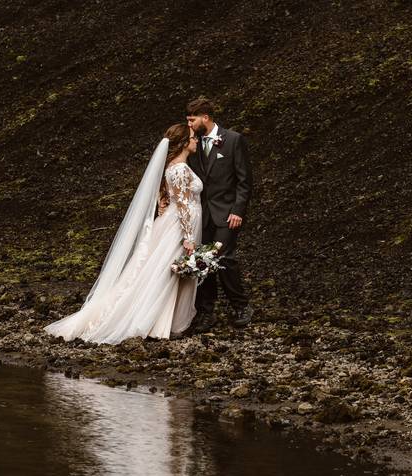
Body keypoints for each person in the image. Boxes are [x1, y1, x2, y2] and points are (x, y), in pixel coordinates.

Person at [43, 124, 202, 344]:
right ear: (184, 142)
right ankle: (152, 320)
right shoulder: (181, 169)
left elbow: (168, 198)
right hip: (178, 226)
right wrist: (189, 237)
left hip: (173, 223)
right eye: (193, 138)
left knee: (162, 270)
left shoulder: (172, 167)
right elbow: (183, 204)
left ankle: (161, 320)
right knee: (164, 271)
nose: (196, 140)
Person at [185, 97, 254, 331]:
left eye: (192, 119)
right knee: (202, 262)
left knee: (225, 258)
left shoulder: (233, 140)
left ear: (205, 117)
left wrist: (238, 210)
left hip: (227, 213)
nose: (189, 124)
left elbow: (245, 180)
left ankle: (241, 306)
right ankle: (206, 312)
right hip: (202, 215)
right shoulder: (192, 144)